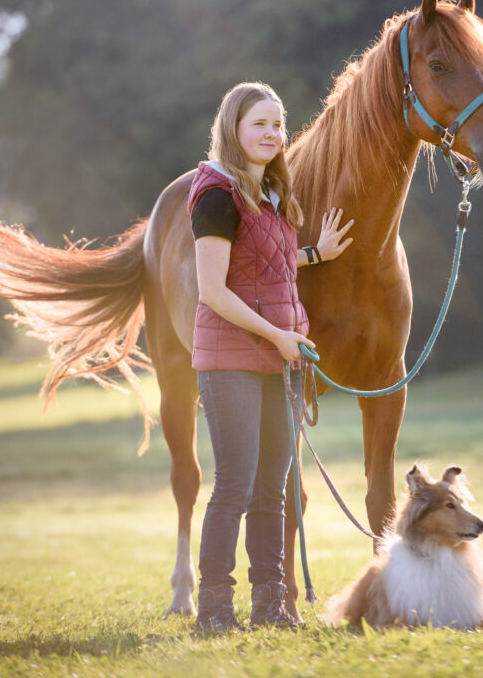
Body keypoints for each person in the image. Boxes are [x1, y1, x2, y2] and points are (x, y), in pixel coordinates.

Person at [186, 81, 354, 633]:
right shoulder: (216, 194)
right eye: (259, 123)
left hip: (277, 359)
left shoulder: (272, 196)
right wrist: (279, 336)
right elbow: (214, 290)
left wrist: (312, 254)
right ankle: (213, 608)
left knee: (273, 488)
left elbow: (263, 268)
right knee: (235, 483)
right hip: (230, 359)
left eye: (279, 124)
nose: (272, 134)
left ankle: (272, 605)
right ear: (233, 129)